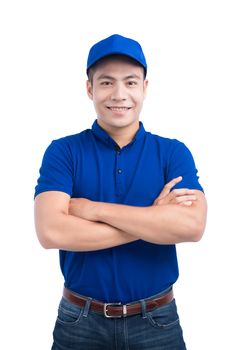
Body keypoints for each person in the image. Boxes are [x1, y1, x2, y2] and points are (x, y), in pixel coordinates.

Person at [34, 34, 207, 350]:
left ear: (145, 88)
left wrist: (95, 210)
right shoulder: (63, 152)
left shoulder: (172, 153)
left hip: (157, 321)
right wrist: (154, 221)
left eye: (130, 82)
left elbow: (191, 227)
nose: (119, 94)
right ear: (90, 89)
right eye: (106, 83)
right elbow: (51, 231)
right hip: (79, 322)